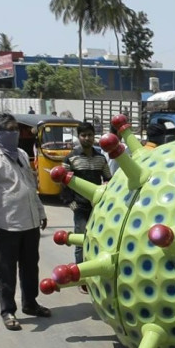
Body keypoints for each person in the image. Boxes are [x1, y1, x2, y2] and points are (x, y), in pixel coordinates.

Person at [0, 113, 50, 331]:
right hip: (5, 226)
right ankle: (8, 310)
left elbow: (30, 186)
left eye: (15, 130)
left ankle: (30, 303)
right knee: (6, 271)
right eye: (8, 130)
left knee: (30, 267)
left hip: (29, 223)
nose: (14, 134)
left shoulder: (21, 154)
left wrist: (40, 212)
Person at [61, 122, 111, 293]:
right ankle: (81, 277)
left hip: (98, 206)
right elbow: (63, 181)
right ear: (78, 136)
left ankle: (95, 272)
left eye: (90, 135)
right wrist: (69, 201)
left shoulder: (100, 158)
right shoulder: (71, 158)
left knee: (99, 239)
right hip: (80, 206)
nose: (87, 138)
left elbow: (108, 179)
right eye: (84, 135)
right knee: (81, 241)